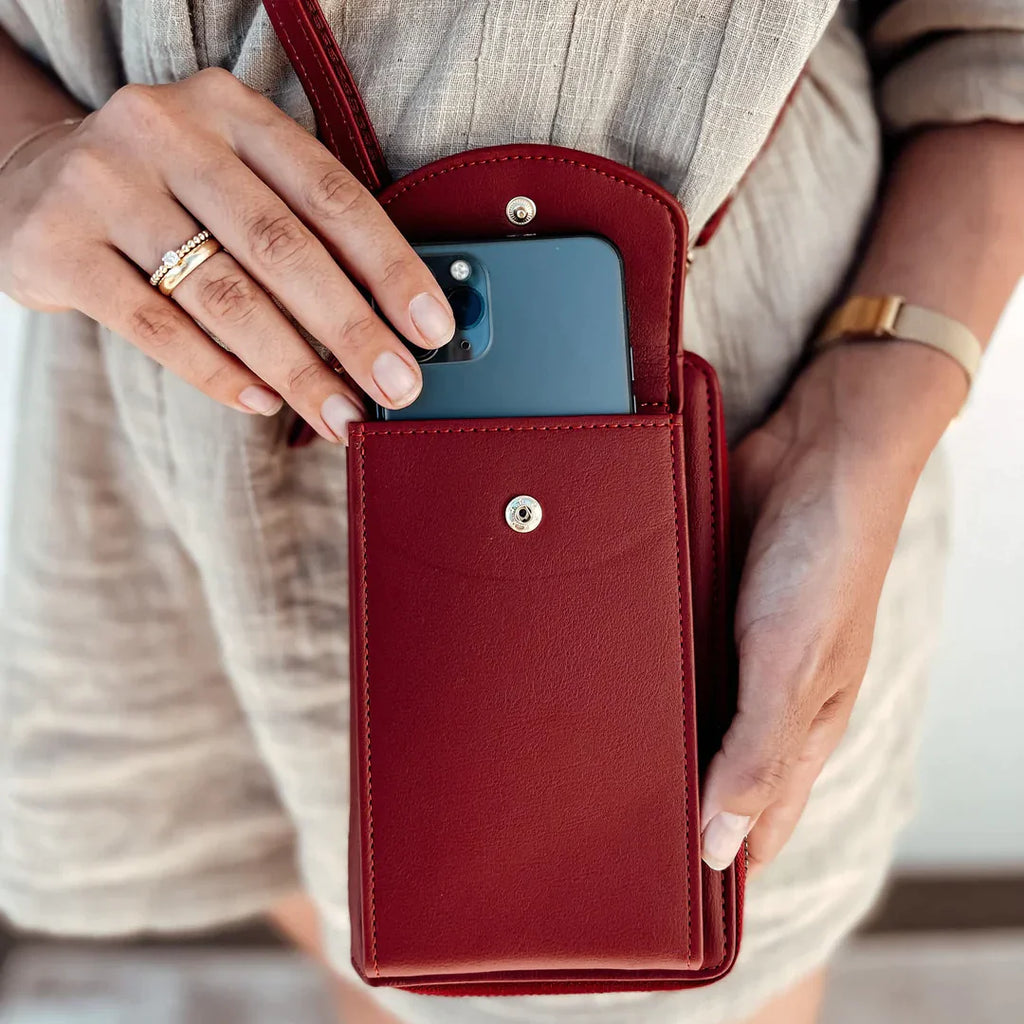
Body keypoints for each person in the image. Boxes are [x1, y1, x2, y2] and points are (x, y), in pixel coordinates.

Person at [0, 2, 1020, 1022]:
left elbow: (995, 46)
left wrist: (865, 416)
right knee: (379, 938)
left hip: (717, 435)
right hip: (166, 416)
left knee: (655, 953)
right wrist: (25, 158)